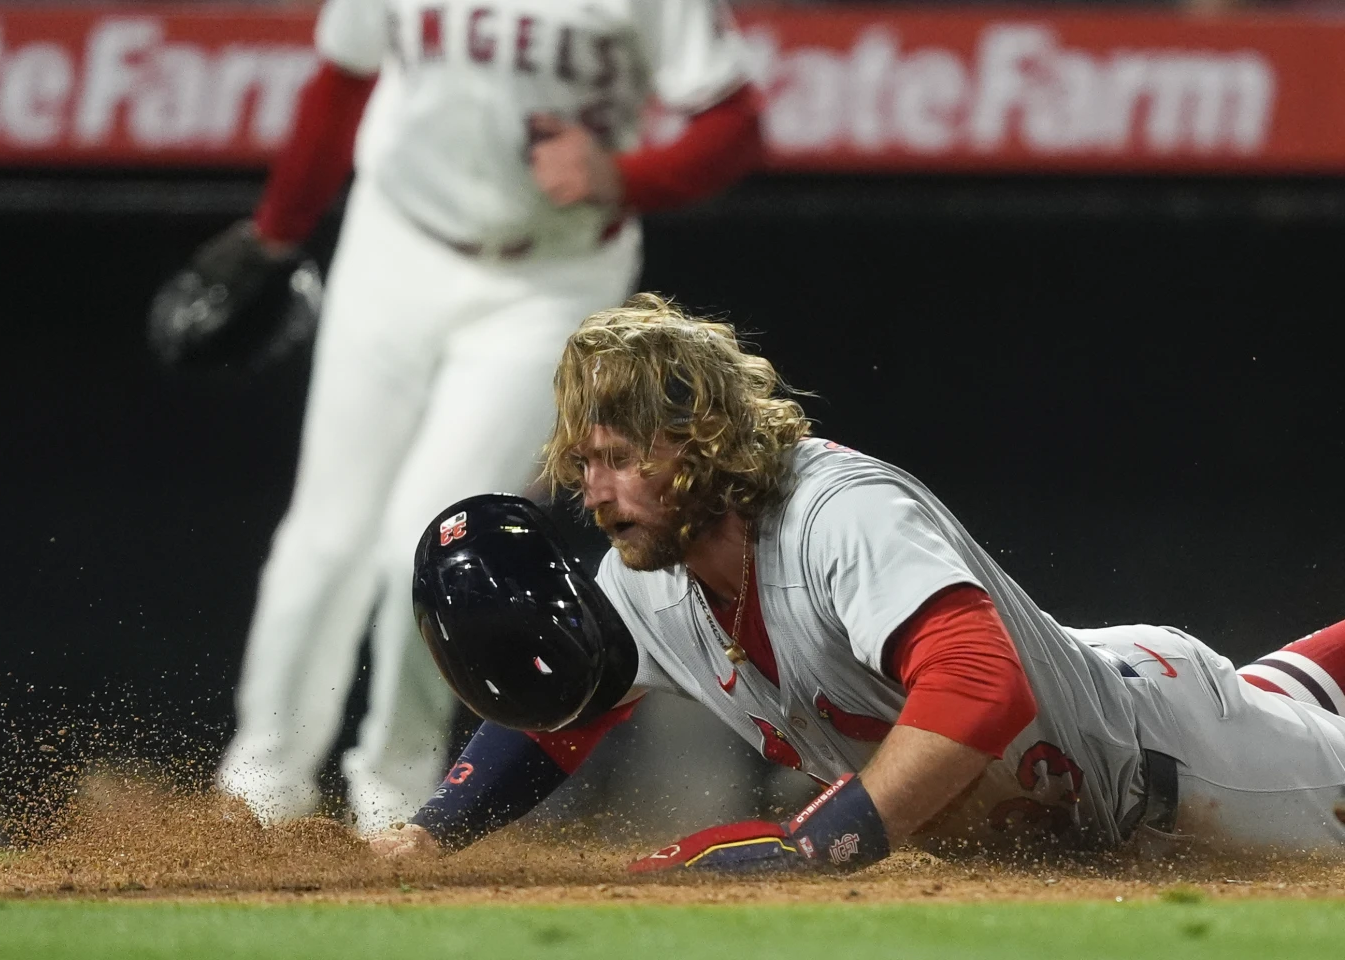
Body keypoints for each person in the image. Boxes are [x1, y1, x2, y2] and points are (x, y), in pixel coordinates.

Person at [369, 292, 1345, 869]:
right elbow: (565, 709)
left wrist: (819, 844)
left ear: (697, 446)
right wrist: (433, 834)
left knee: (1291, 730)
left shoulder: (836, 515)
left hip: (1190, 771)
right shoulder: (653, 573)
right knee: (1281, 688)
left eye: (617, 458)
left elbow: (980, 684)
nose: (593, 489)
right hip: (1092, 753)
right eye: (583, 465)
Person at [209, 0, 765, 834]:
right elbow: (342, 78)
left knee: (424, 537)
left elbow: (735, 126)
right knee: (323, 535)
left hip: (548, 277)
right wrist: (276, 234)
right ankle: (257, 788)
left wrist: (623, 177)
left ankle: (392, 798)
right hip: (395, 243)